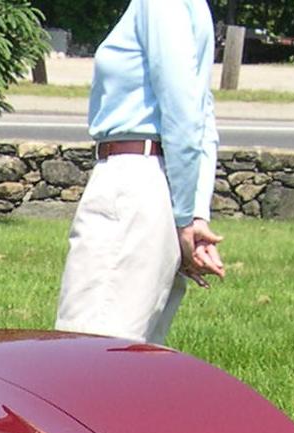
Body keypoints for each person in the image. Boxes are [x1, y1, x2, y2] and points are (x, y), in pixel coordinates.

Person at [54, 0, 227, 346]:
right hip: (154, 188)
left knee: (84, 352)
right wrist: (193, 214)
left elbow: (185, 111)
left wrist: (187, 219)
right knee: (131, 359)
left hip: (131, 184)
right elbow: (198, 116)